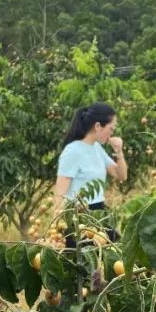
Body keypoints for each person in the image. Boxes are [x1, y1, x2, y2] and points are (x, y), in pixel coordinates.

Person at [53, 103, 127, 249]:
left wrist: (119, 151)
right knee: (88, 264)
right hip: (79, 216)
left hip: (99, 213)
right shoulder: (72, 151)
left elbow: (121, 175)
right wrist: (57, 228)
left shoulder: (97, 148)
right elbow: (60, 194)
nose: (111, 134)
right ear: (98, 126)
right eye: (110, 129)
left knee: (111, 257)